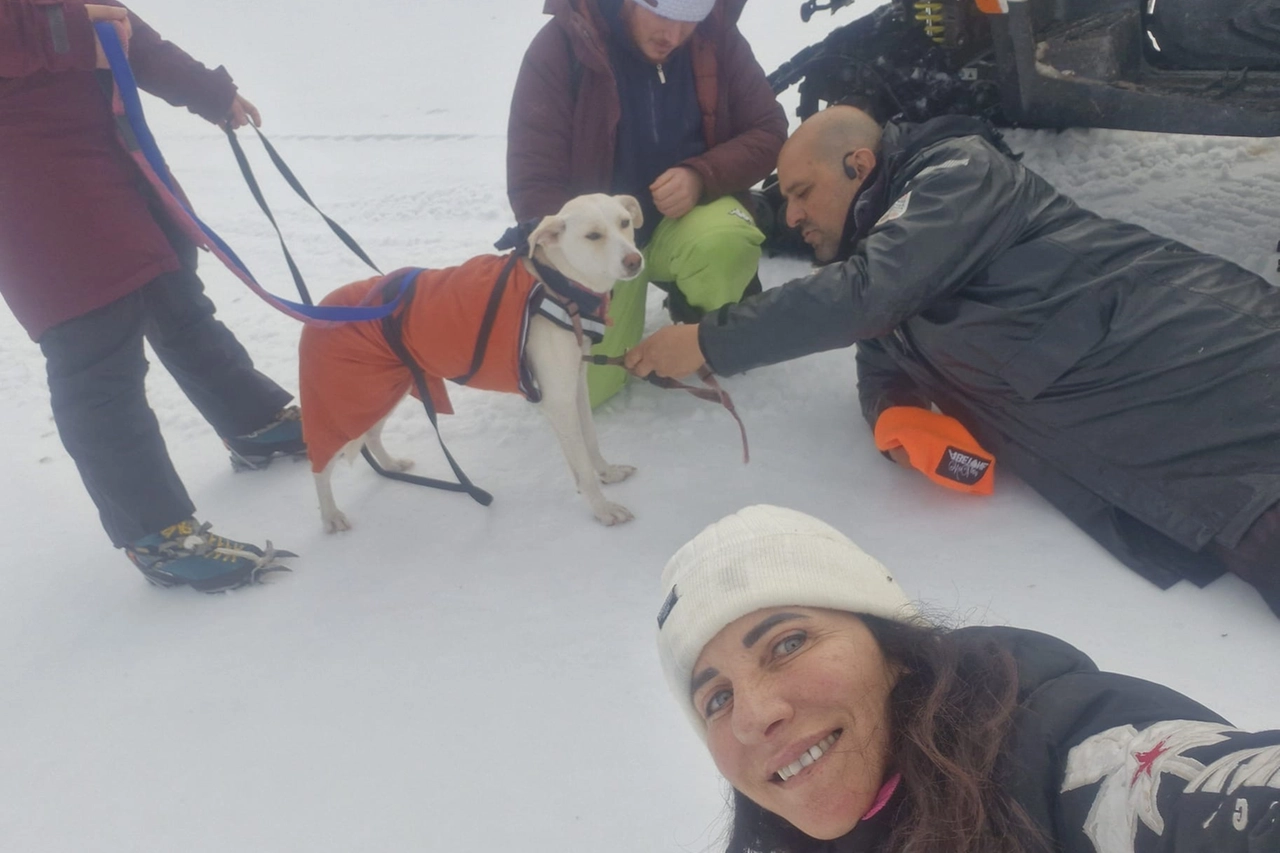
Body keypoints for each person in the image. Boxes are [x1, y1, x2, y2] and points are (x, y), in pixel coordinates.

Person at [625, 104, 1280, 617]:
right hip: (1184, 468)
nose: (791, 215)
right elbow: (879, 352)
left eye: (801, 192)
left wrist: (707, 340)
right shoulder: (891, 253)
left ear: (858, 163)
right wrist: (900, 421)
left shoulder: (957, 174)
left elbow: (867, 295)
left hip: (1223, 367)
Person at [656, 504, 1280, 853]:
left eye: (788, 643)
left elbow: (1211, 798)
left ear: (893, 647)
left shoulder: (1061, 754)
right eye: (716, 697)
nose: (753, 714)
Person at [0, 1, 302, 591]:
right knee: (96, 357)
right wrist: (64, 23)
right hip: (31, 189)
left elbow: (124, 31)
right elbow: (69, 24)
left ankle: (254, 424)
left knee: (178, 301)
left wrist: (211, 93)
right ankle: (154, 534)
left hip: (113, 159)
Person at [506, 0, 787, 407]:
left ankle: (701, 329)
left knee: (727, 242)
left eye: (688, 21)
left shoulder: (716, 37)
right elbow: (534, 178)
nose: (673, 36)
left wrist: (701, 175)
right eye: (663, 15)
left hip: (686, 222)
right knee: (586, 392)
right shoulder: (563, 45)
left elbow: (769, 130)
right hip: (599, 248)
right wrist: (566, 276)